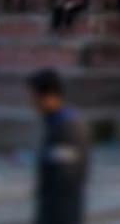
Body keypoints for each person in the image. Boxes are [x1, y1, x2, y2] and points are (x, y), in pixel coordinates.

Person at [28, 69, 89, 224]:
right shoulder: (55, 123)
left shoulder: (67, 128)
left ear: (49, 96)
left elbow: (65, 180)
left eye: (35, 97)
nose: (32, 102)